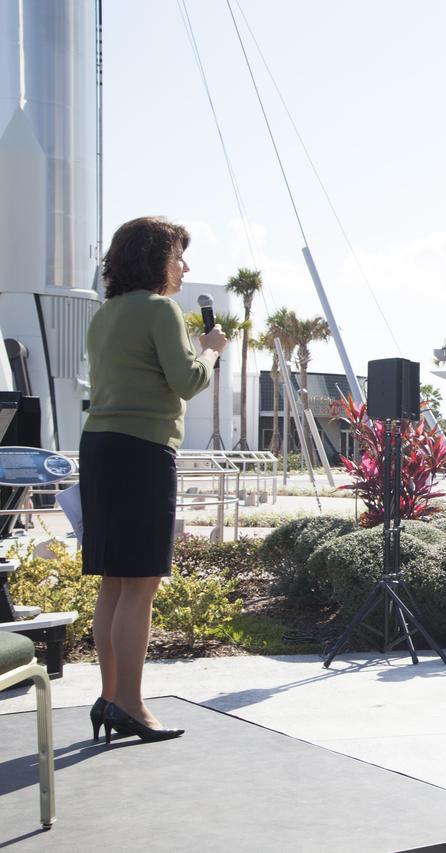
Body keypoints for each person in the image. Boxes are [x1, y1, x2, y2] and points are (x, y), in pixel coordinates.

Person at [81, 216, 227, 743]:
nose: (184, 267)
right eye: (178, 256)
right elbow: (188, 380)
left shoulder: (106, 314)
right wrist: (210, 347)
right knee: (140, 585)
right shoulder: (161, 309)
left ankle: (109, 696)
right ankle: (133, 705)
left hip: (99, 449)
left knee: (115, 583)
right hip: (142, 452)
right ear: (154, 259)